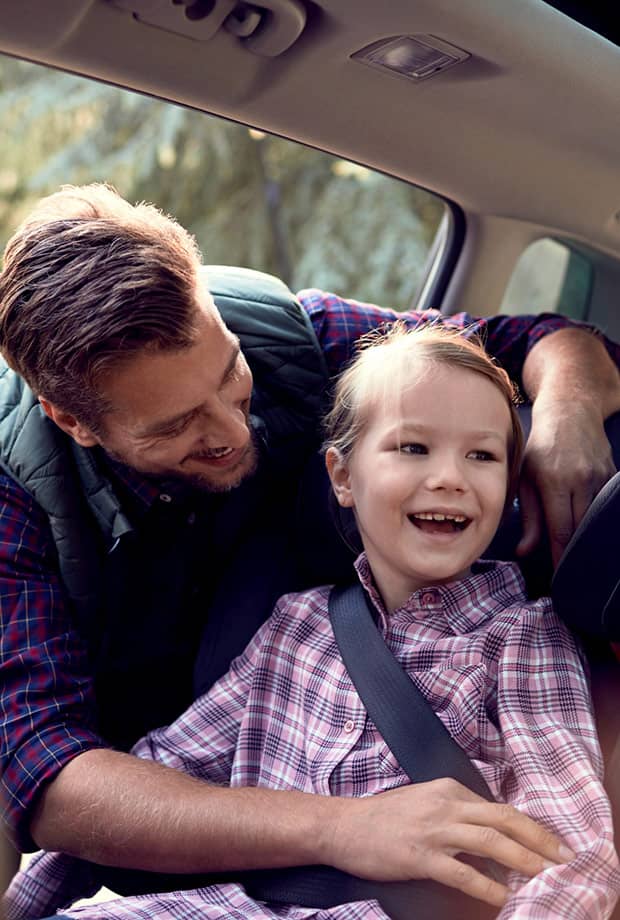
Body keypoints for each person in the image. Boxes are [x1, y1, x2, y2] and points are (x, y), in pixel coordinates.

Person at [1, 183, 620, 911]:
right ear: (72, 421)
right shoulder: (19, 496)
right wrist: (340, 829)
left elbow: (534, 342)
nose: (234, 432)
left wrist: (568, 409)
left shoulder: (291, 334)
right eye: (175, 426)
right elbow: (50, 773)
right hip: (182, 827)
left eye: (229, 373)